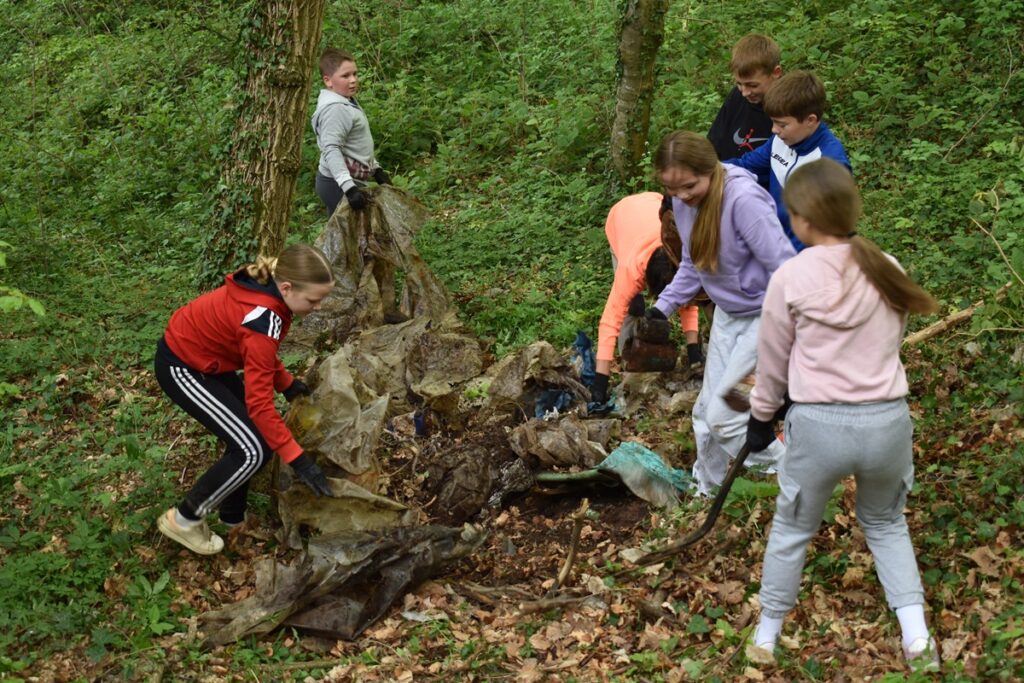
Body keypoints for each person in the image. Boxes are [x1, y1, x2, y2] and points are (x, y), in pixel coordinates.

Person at [745, 159, 940, 672]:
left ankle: (766, 637)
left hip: (820, 427)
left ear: (803, 219)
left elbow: (773, 364)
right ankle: (918, 640)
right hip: (887, 423)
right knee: (885, 522)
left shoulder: (791, 276)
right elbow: (889, 342)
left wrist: (761, 416)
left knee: (792, 528)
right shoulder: (887, 266)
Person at [154, 244, 336, 555]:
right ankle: (184, 519)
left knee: (253, 441)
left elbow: (254, 351)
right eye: (314, 300)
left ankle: (232, 518)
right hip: (183, 365)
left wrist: (286, 383)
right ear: (288, 288)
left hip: (209, 358)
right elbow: (260, 403)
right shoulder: (265, 317)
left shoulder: (271, 298)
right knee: (253, 448)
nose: (318, 307)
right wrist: (298, 459)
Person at [649, 131, 795, 494]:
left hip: (766, 318)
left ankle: (796, 473)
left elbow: (784, 266)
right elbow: (692, 263)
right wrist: (660, 309)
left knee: (725, 420)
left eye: (688, 186)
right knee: (703, 415)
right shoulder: (685, 204)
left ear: (710, 170)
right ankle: (707, 488)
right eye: (672, 189)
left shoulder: (744, 200)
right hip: (729, 317)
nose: (682, 196)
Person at [591, 192, 701, 406]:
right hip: (620, 219)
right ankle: (629, 361)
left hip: (652, 202)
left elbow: (686, 301)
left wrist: (694, 353)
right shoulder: (629, 270)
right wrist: (600, 383)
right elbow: (609, 322)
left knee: (670, 296)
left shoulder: (676, 252)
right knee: (631, 307)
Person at [727, 70, 851, 252]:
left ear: (810, 120)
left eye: (782, 124)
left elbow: (826, 229)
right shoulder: (781, 140)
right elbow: (746, 166)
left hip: (804, 257)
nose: (774, 130)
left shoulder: (830, 162)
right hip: (773, 242)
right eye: (773, 122)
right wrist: (705, 170)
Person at [311, 48, 390, 218]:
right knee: (350, 239)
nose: (353, 80)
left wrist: (375, 169)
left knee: (351, 238)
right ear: (328, 81)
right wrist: (349, 188)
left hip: (346, 181)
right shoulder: (335, 109)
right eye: (345, 76)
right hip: (337, 183)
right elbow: (331, 149)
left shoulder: (345, 102)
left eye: (355, 74)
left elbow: (354, 143)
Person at [707, 33, 783, 175]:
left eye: (752, 85)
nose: (745, 93)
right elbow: (713, 143)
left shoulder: (789, 108)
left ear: (776, 72)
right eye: (739, 84)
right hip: (723, 179)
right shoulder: (737, 96)